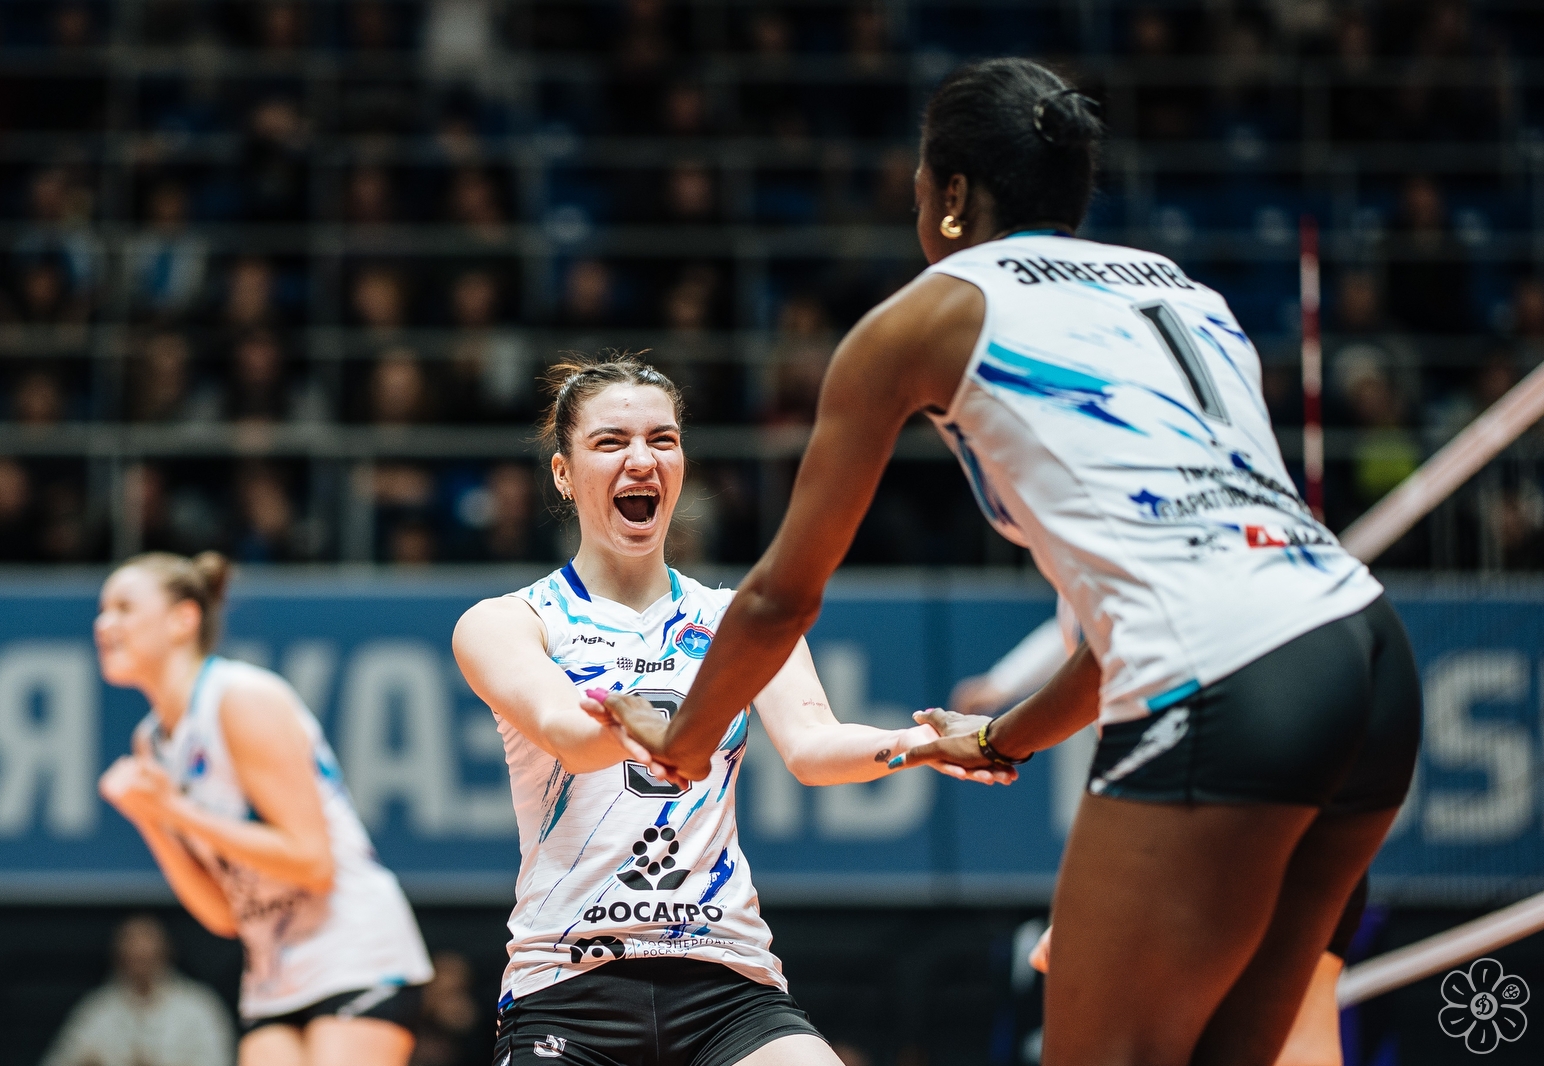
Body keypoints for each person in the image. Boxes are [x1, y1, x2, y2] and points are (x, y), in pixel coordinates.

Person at [597, 58, 1421, 1065]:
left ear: (951, 194)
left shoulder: (928, 314)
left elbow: (779, 596)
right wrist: (998, 737)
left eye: (918, 186)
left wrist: (684, 737)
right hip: (1368, 660)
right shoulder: (1187, 294)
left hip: (1229, 677)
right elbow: (1135, 625)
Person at [450, 355, 993, 1066]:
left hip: (727, 982)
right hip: (568, 982)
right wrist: (653, 732)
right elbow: (568, 736)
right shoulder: (508, 621)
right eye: (611, 442)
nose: (641, 459)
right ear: (563, 473)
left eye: (663, 440)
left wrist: (920, 744)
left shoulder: (737, 619)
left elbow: (813, 747)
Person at [954, 605, 1366, 1066]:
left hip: (1237, 810)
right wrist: (1003, 688)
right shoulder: (1107, 598)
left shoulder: (1142, 596)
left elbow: (1108, 666)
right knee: (1296, 1023)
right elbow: (1084, 641)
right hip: (1301, 784)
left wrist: (995, 739)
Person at [95, 551, 434, 1066]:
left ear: (184, 619)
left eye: (123, 607)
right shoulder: (152, 743)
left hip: (355, 950)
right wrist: (150, 817)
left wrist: (174, 809)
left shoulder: (240, 697)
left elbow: (311, 862)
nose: (104, 624)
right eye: (102, 610)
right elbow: (223, 915)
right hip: (272, 973)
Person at [42, 914, 236, 1066]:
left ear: (166, 953)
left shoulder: (199, 1007)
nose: (140, 965)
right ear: (119, 957)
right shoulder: (98, 1009)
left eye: (147, 957)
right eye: (133, 958)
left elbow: (221, 1060)